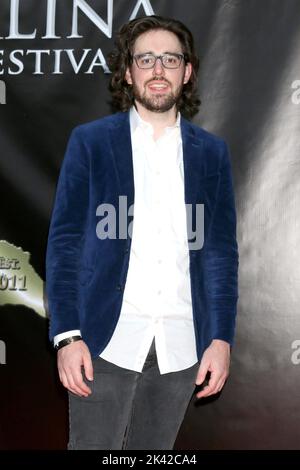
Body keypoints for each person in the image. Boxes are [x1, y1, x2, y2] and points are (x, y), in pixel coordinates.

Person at [46, 15, 239, 450]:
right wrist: (67, 336)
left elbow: (220, 254)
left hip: (181, 347)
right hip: (103, 341)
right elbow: (65, 244)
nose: (157, 70)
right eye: (145, 59)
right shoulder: (91, 142)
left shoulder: (211, 154)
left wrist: (221, 338)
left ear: (186, 72)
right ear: (128, 72)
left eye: (170, 59)